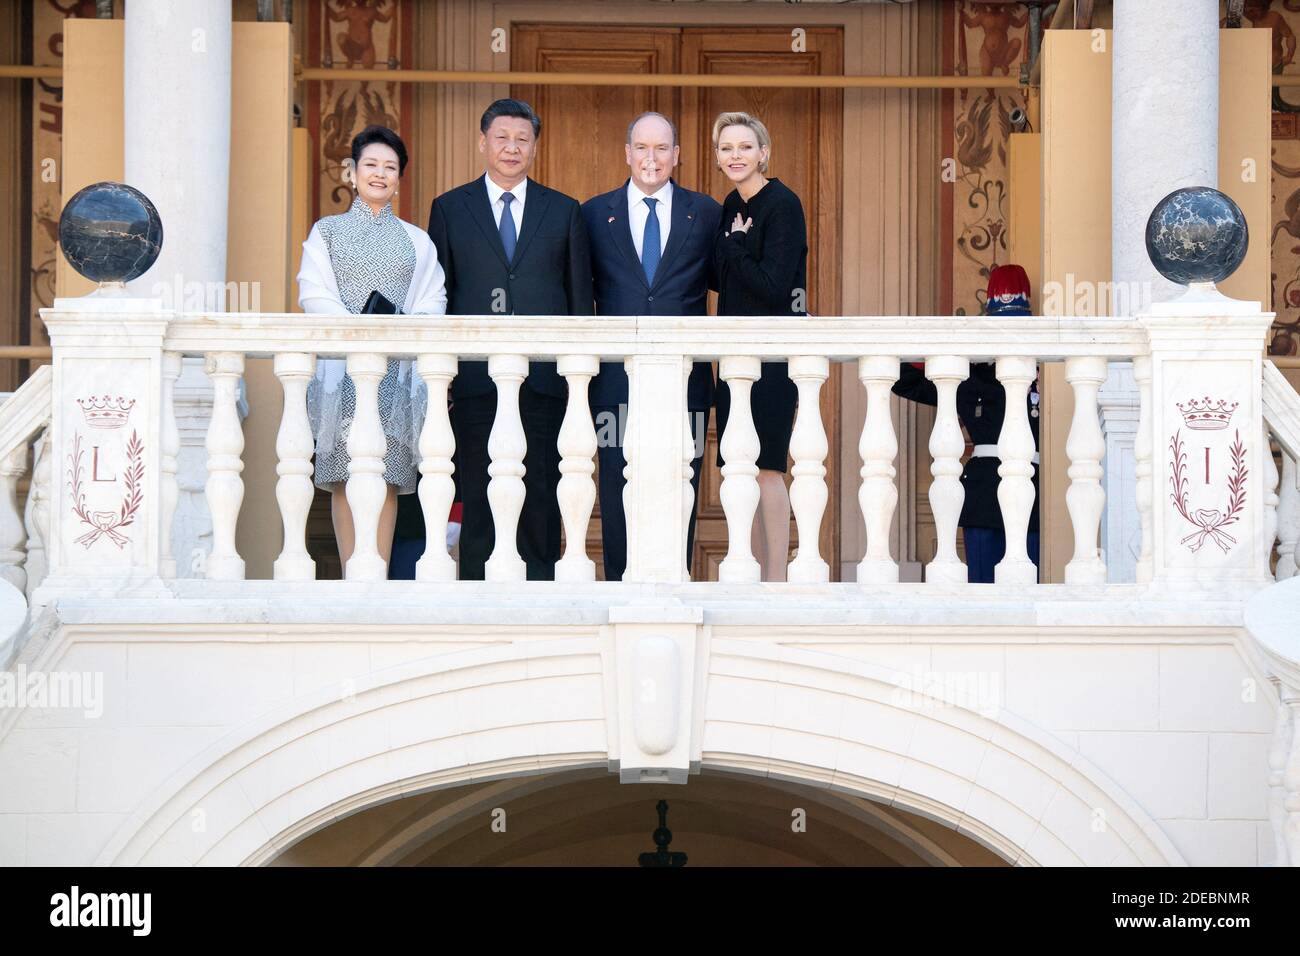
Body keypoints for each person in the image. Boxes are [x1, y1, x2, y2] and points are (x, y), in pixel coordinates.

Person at [427, 99, 594, 581]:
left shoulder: (563, 211)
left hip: (545, 381)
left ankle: (541, 587)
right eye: (501, 137)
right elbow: (442, 296)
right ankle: (479, 589)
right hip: (477, 380)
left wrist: (576, 379)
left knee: (542, 488)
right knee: (478, 487)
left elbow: (579, 301)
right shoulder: (451, 208)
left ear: (535, 147)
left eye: (522, 139)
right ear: (483, 142)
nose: (511, 147)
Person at [297, 124, 447, 572]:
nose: (380, 174)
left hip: (396, 377)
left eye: (390, 167)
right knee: (345, 474)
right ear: (352, 172)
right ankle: (352, 573)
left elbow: (432, 301)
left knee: (388, 477)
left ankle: (376, 572)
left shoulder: (417, 240)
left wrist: (396, 330)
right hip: (342, 375)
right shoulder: (326, 232)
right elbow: (313, 293)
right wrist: (357, 331)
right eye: (371, 165)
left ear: (400, 178)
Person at [581, 112, 722, 581]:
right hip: (614, 381)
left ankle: (675, 579)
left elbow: (729, 281)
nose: (651, 158)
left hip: (688, 381)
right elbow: (582, 296)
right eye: (642, 147)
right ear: (627, 153)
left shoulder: (704, 212)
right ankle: (621, 580)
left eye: (662, 148)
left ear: (676, 155)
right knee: (617, 479)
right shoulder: (594, 213)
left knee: (681, 482)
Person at [891, 263, 1041, 583]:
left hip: (1034, 491)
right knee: (984, 589)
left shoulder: (1043, 372)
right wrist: (945, 348)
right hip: (983, 495)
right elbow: (901, 379)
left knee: (1028, 587)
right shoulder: (969, 374)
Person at [711, 111, 808, 582]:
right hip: (733, 357)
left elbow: (772, 286)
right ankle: (744, 573)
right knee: (738, 468)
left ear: (764, 153)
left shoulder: (783, 204)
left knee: (768, 466)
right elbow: (723, 275)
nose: (736, 156)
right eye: (727, 148)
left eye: (745, 147)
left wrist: (733, 249)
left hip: (771, 355)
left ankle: (774, 578)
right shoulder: (730, 205)